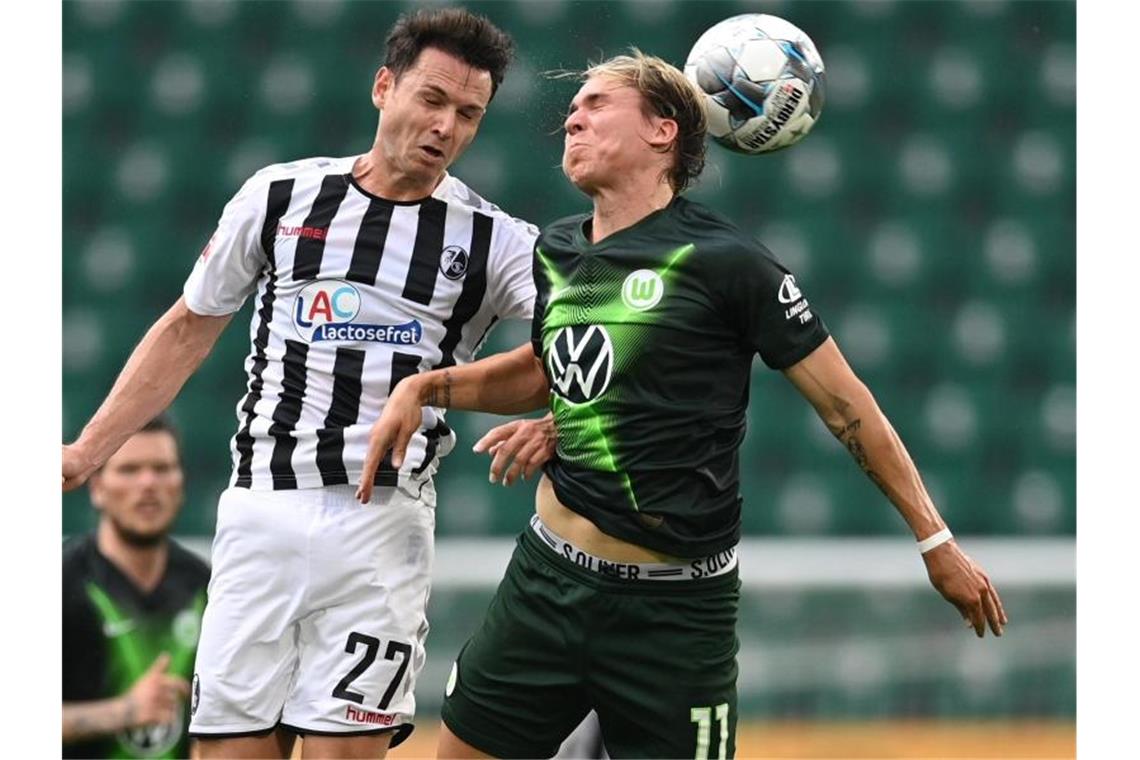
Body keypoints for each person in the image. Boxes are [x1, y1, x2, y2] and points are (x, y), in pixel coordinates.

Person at [356, 50, 1009, 758]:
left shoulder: (730, 264)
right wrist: (431, 387)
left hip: (675, 613)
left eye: (599, 103)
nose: (573, 116)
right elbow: (555, 368)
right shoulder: (558, 249)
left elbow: (847, 407)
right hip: (545, 585)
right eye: (575, 108)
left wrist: (934, 540)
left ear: (663, 131)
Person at [62, 8, 540, 758]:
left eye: (468, 114)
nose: (446, 126)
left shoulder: (497, 239)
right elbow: (190, 326)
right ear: (385, 87)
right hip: (262, 516)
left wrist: (556, 418)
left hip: (381, 529)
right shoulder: (281, 197)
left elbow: (578, 352)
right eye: (432, 99)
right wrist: (89, 450)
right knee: (227, 749)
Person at [62, 416, 209, 759]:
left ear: (181, 483)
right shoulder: (57, 584)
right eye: (130, 470)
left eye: (162, 468)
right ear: (97, 488)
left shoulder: (207, 586)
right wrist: (126, 711)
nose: (148, 483)